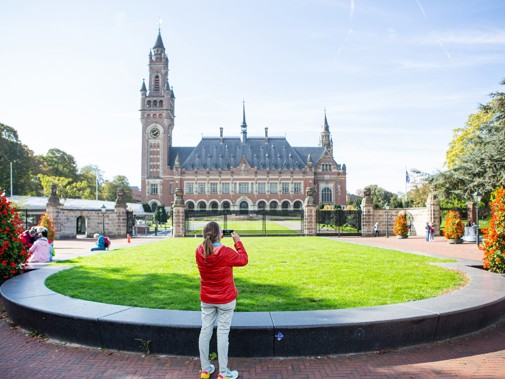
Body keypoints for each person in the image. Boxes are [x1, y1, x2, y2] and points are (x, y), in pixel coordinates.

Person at [196, 221, 248, 379]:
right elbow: (243, 259)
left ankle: (205, 370)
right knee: (223, 333)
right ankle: (223, 373)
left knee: (205, 330)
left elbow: (210, 249)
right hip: (225, 299)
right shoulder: (224, 251)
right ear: (220, 234)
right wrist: (237, 242)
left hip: (207, 298)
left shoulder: (199, 250)